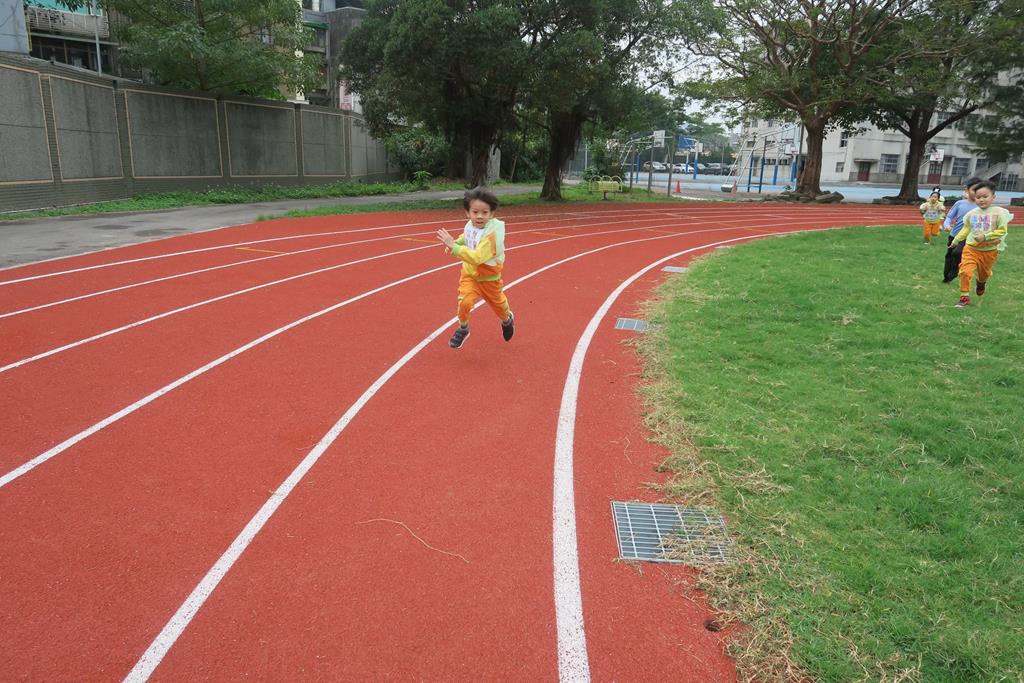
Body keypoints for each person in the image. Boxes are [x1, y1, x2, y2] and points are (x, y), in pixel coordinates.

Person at [436, 187, 515, 348]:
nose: (479, 216)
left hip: (489, 280)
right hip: (470, 276)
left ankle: (507, 320)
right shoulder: (471, 225)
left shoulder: (492, 235)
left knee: (499, 307)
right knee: (464, 302)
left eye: (485, 212)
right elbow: (467, 236)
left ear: (491, 214)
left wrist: (454, 248)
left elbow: (478, 258)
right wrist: (456, 242)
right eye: (475, 212)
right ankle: (463, 328)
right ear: (468, 213)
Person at [950, 181, 1012, 308]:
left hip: (989, 250)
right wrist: (956, 240)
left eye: (985, 196)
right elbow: (966, 229)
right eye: (978, 197)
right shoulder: (971, 214)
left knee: (984, 274)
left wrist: (985, 237)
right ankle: (964, 297)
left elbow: (1002, 230)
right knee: (965, 271)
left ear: (993, 197)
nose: (981, 199)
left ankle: (981, 283)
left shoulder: (999, 213)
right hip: (971, 248)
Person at [941, 177, 982, 283]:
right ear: (967, 190)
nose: (976, 192)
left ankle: (955, 271)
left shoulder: (981, 206)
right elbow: (949, 217)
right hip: (954, 235)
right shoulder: (960, 203)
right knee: (950, 256)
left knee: (958, 252)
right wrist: (946, 225)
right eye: (974, 190)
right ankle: (947, 277)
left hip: (969, 237)